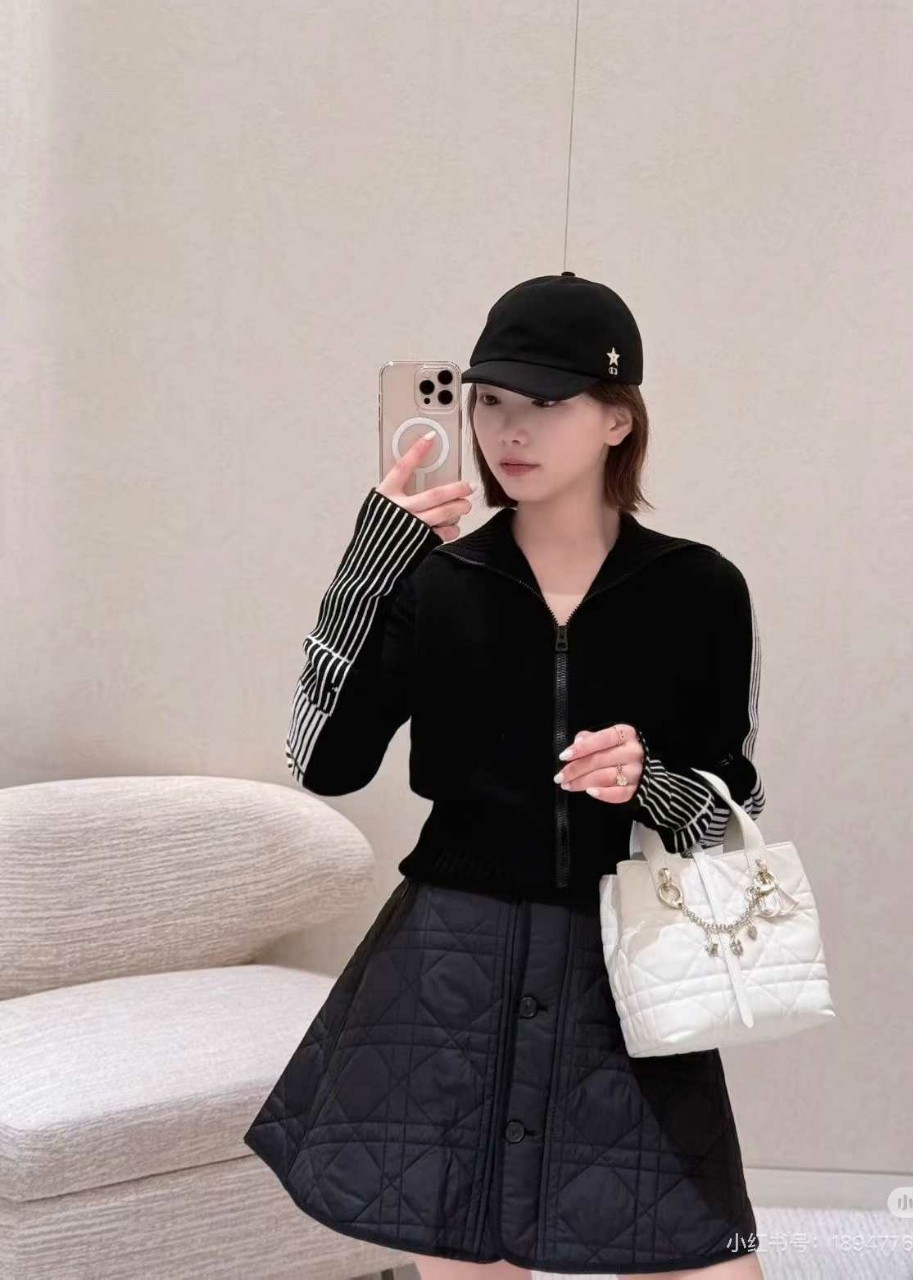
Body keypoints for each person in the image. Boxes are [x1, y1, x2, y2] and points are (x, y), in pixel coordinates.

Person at [244, 273, 766, 1278]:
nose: (508, 430)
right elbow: (325, 762)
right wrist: (369, 567)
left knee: (700, 1251)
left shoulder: (700, 588)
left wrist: (648, 780)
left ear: (617, 419)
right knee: (468, 1251)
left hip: (622, 964)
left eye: (547, 402)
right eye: (489, 400)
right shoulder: (435, 582)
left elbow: (729, 811)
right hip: (452, 964)